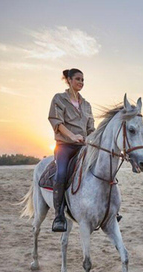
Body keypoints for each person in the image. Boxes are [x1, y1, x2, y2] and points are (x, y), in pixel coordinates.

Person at [48, 68, 95, 232]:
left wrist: (94, 140)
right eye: (78, 79)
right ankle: (59, 216)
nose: (81, 83)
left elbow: (91, 130)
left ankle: (106, 209)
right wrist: (73, 136)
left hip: (83, 147)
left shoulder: (87, 105)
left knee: (102, 168)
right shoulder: (59, 99)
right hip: (65, 146)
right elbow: (57, 123)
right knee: (61, 173)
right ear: (68, 80)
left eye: (83, 80)